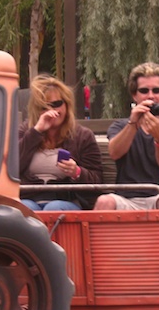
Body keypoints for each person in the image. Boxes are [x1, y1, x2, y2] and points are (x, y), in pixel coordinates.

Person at [94, 62, 159, 210]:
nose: (151, 96)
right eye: (144, 91)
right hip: (126, 199)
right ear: (134, 95)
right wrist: (133, 124)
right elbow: (114, 152)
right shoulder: (120, 126)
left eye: (156, 90)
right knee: (104, 202)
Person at [18, 74, 103, 211]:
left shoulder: (82, 135)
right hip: (29, 198)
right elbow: (12, 168)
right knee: (24, 208)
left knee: (54, 208)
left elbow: (97, 181)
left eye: (57, 104)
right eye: (44, 107)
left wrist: (77, 172)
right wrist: (36, 132)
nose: (52, 111)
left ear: (67, 105)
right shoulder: (26, 131)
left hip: (65, 200)